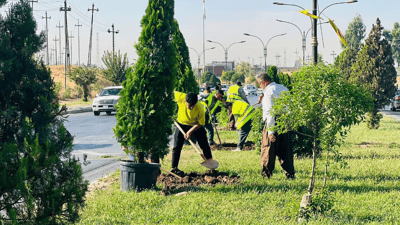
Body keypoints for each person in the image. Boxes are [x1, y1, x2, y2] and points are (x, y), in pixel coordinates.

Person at [256, 73, 295, 179]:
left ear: (264, 82)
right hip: (285, 122)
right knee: (286, 149)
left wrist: (271, 132)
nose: (260, 87)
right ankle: (290, 173)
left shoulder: (268, 92)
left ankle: (266, 174)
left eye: (260, 84)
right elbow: (289, 106)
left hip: (273, 122)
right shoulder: (283, 88)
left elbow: (270, 112)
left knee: (268, 149)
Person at [171, 91, 217, 173]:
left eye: (193, 105)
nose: (191, 107)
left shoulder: (200, 107)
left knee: (204, 144)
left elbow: (201, 123)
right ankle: (174, 168)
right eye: (190, 105)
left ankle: (211, 165)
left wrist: (190, 132)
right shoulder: (181, 97)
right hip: (181, 124)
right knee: (177, 147)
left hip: (195, 126)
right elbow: (169, 93)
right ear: (185, 101)